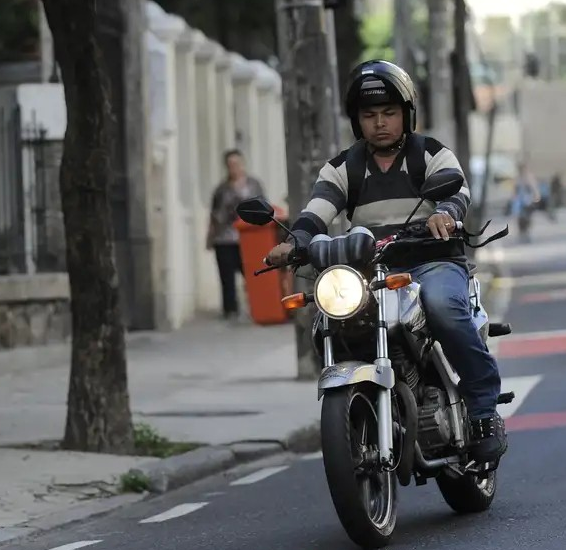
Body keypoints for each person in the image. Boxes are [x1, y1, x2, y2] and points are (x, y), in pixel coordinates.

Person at [262, 59, 507, 464]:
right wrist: (295, 241)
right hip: (372, 271)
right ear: (357, 120)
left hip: (432, 262)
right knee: (333, 319)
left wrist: (445, 213)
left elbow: (456, 194)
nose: (380, 123)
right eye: (370, 115)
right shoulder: (343, 168)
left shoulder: (430, 153)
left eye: (389, 113)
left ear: (406, 113)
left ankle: (483, 410)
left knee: (443, 308)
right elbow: (315, 212)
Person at [207, 149, 265, 320]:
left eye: (237, 164)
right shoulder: (221, 189)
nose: (234, 168)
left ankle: (258, 307)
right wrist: (209, 237)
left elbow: (264, 207)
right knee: (227, 277)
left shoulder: (254, 185)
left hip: (250, 237)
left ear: (242, 164)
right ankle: (230, 309)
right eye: (230, 165)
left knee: (252, 274)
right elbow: (214, 214)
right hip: (224, 238)